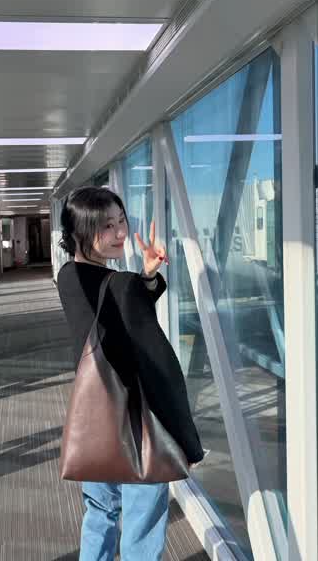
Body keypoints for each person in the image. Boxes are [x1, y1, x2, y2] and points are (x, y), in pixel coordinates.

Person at [57, 186, 204, 561]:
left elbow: (118, 305)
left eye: (121, 220)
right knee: (141, 522)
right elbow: (158, 367)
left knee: (100, 513)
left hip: (94, 419)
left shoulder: (69, 277)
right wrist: (186, 441)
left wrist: (146, 278)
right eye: (107, 226)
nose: (120, 232)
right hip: (138, 423)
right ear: (82, 231)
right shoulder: (117, 285)